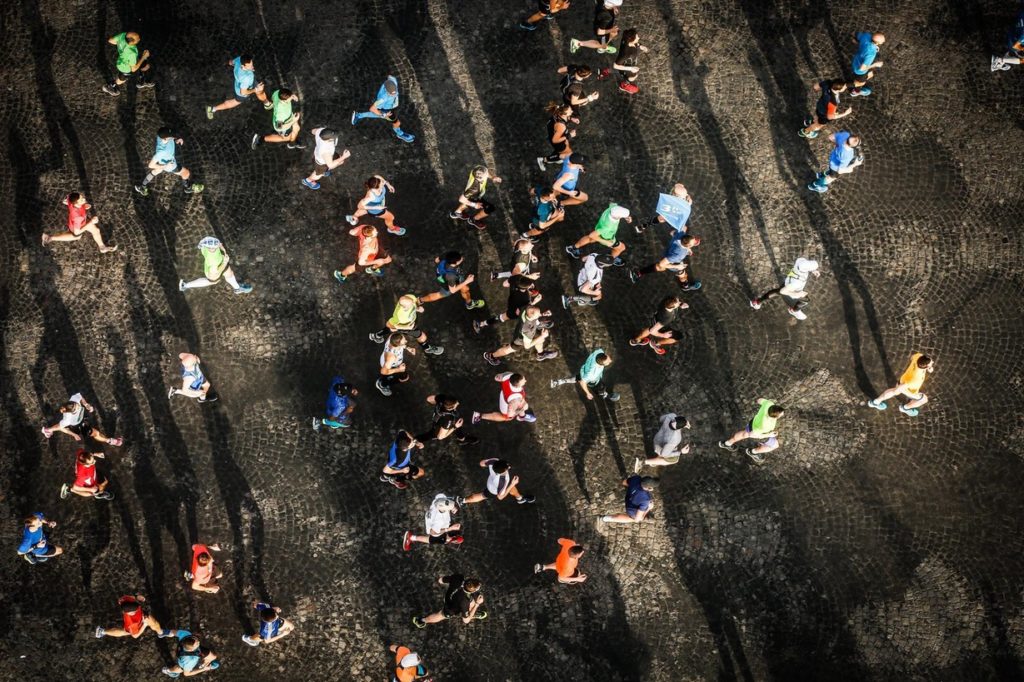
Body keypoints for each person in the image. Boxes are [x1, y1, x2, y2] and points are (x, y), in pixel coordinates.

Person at [135, 127, 204, 196]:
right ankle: (188, 188)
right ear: (165, 138)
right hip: (170, 165)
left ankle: (142, 187)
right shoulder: (161, 152)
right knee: (186, 173)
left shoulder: (161, 135)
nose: (173, 136)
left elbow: (171, 137)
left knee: (156, 171)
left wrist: (176, 140)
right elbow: (150, 165)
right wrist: (164, 166)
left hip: (161, 161)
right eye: (171, 136)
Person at [370, 295, 445, 356]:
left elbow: (415, 303)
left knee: (390, 328)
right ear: (404, 307)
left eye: (412, 302)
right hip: (406, 326)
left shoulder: (410, 297)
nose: (413, 304)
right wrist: (408, 327)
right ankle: (428, 348)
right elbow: (393, 326)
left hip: (410, 323)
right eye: (411, 305)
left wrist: (418, 308)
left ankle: (376, 336)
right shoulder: (401, 317)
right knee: (422, 336)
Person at [41, 392, 124, 447]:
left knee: (95, 431)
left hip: (83, 419)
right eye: (77, 408)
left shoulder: (74, 400)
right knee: (96, 433)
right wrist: (74, 435)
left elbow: (80, 397)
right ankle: (110, 441)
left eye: (77, 405)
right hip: (79, 426)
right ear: (72, 412)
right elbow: (61, 428)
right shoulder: (67, 419)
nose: (79, 406)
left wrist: (86, 404)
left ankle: (47, 430)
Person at [42, 192, 117, 253]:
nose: (84, 199)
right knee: (77, 236)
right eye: (81, 200)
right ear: (76, 204)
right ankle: (50, 238)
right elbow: (77, 232)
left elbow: (67, 199)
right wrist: (91, 222)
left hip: (82, 220)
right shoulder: (78, 218)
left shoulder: (71, 200)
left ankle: (102, 247)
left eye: (82, 197)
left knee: (96, 230)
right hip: (79, 225)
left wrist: (83, 206)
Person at [750, 257, 821, 321]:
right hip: (793, 287)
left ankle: (757, 302)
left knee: (777, 292)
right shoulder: (796, 283)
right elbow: (783, 291)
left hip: (789, 280)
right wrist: (796, 294)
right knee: (805, 300)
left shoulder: (800, 260)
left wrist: (813, 270)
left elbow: (805, 266)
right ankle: (794, 311)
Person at [483, 306, 559, 365]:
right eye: (539, 314)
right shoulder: (528, 330)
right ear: (532, 317)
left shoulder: (525, 310)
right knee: (509, 349)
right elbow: (527, 346)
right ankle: (491, 356)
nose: (540, 314)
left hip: (521, 330)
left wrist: (542, 314)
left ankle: (540, 354)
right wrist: (543, 335)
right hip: (520, 340)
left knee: (539, 339)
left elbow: (520, 312)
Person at [718, 399, 785, 464]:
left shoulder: (769, 404)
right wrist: (769, 435)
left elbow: (759, 400)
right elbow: (753, 435)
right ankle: (753, 452)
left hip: (753, 423)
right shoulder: (765, 425)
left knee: (744, 434)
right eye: (780, 415)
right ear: (773, 416)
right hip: (762, 434)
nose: (782, 414)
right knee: (775, 445)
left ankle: (727, 443)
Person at [178, 236, 253, 294]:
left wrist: (223, 250)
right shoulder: (212, 261)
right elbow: (216, 271)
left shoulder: (207, 245)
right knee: (213, 281)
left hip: (220, 261)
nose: (217, 245)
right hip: (214, 272)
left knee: (229, 273)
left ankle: (237, 289)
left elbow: (219, 244)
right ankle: (185, 285)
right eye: (215, 246)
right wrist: (225, 262)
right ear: (211, 248)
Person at [351, 75, 415, 143]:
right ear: (387, 92)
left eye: (395, 92)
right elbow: (372, 109)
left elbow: (390, 76)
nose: (395, 94)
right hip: (387, 110)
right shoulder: (383, 98)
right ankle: (400, 134)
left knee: (377, 115)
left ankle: (358, 115)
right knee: (397, 122)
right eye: (392, 94)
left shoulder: (393, 81)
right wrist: (383, 114)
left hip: (390, 106)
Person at [867, 353, 934, 417]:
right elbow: (902, 387)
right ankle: (905, 408)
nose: (933, 362)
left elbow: (912, 357)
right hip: (909, 391)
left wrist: (927, 368)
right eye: (931, 363)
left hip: (902, 380)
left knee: (893, 391)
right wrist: (897, 391)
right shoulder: (915, 379)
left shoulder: (918, 356)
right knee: (924, 399)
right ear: (926, 366)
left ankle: (875, 402)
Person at [473, 274, 545, 333]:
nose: (531, 286)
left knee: (503, 317)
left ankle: (481, 324)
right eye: (530, 286)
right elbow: (524, 311)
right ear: (526, 288)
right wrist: (535, 301)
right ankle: (481, 324)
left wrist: (529, 276)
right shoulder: (526, 298)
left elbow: (505, 284)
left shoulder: (515, 279)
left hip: (512, 301)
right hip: (514, 311)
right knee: (503, 317)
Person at [628, 233, 702, 291]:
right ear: (687, 245)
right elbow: (662, 263)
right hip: (673, 262)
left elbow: (672, 232)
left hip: (667, 253)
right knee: (682, 273)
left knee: (659, 267)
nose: (695, 243)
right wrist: (677, 266)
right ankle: (686, 286)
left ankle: (638, 274)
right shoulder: (678, 254)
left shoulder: (680, 235)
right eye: (693, 243)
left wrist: (688, 249)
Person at [205, 54, 271, 119]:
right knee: (235, 102)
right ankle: (213, 109)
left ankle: (266, 103)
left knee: (260, 90)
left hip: (240, 84)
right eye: (250, 66)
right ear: (243, 66)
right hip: (242, 91)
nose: (252, 66)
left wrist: (247, 68)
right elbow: (243, 92)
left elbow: (231, 62)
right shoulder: (246, 78)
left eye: (252, 64)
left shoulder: (239, 59)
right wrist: (255, 89)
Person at [459, 457, 537, 510]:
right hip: (494, 490)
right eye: (507, 467)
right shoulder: (503, 481)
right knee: (511, 488)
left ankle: (463, 501)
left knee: (482, 495)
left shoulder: (494, 461)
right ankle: (520, 499)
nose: (509, 467)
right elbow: (500, 497)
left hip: (491, 483)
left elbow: (481, 463)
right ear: (503, 471)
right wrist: (512, 484)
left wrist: (488, 461)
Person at [412, 574, 486, 628]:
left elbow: (440, 580)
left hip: (449, 597)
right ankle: (422, 620)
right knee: (440, 615)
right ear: (472, 591)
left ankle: (469, 613)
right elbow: (466, 621)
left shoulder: (458, 577)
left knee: (473, 602)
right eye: (477, 588)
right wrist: (477, 604)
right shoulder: (464, 602)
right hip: (451, 608)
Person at [418, 251, 485, 310]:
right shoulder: (451, 276)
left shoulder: (446, 256)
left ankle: (419, 300)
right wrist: (467, 281)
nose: (462, 258)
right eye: (460, 259)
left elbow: (436, 260)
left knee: (466, 289)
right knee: (440, 294)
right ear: (455, 263)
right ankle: (469, 304)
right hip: (449, 283)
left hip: (442, 276)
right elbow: (453, 290)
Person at [565, 203, 630, 263]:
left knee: (590, 239)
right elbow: (592, 235)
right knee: (621, 248)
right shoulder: (608, 227)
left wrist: (626, 217)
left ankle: (573, 248)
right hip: (607, 238)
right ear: (618, 216)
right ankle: (610, 259)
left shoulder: (613, 207)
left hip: (599, 227)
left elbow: (612, 204)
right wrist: (605, 241)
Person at [95, 594, 181, 639]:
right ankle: (103, 632)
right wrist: (144, 625)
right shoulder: (131, 623)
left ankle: (161, 633)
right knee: (125, 632)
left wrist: (136, 597)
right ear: (129, 613)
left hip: (142, 616)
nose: (137, 610)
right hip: (138, 623)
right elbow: (135, 636)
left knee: (155, 623)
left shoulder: (125, 600)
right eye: (135, 611)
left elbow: (127, 597)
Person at [551, 348, 619, 401]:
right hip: (593, 382)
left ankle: (560, 382)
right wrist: (588, 393)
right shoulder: (592, 373)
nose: (610, 361)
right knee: (600, 387)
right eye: (608, 362)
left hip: (583, 371)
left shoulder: (599, 352)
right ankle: (603, 394)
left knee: (578, 378)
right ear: (600, 365)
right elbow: (583, 382)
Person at [449, 165, 502, 230]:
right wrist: (474, 205)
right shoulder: (474, 189)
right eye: (485, 176)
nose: (487, 175)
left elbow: (486, 172)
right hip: (474, 195)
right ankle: (473, 220)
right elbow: (461, 199)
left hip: (472, 194)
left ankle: (457, 213)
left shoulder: (478, 169)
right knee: (490, 208)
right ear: (480, 179)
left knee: (469, 199)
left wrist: (493, 177)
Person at [415, 394, 479, 446]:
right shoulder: (449, 419)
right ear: (451, 408)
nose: (458, 403)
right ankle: (463, 440)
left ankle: (414, 440)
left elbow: (429, 399)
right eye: (456, 404)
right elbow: (440, 437)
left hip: (437, 420)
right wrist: (455, 427)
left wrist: (436, 402)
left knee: (426, 435)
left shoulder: (442, 399)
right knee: (432, 434)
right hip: (438, 429)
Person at [102, 31, 152, 96]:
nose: (139, 39)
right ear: (131, 42)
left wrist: (120, 45)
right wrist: (144, 57)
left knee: (146, 66)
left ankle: (142, 80)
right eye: (138, 38)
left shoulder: (123, 35)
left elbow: (110, 40)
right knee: (122, 80)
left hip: (125, 60)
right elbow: (133, 69)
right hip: (125, 67)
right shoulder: (131, 53)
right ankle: (110, 86)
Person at [472, 373, 536, 424]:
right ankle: (479, 416)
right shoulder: (516, 399)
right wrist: (521, 409)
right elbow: (510, 415)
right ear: (517, 386)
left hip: (504, 395)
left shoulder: (509, 375)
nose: (525, 380)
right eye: (523, 381)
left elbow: (496, 377)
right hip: (506, 407)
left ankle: (522, 416)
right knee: (506, 418)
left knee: (522, 404)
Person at [606, 28, 650, 94]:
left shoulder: (626, 39)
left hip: (630, 63)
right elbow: (615, 65)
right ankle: (624, 86)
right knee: (633, 77)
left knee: (633, 76)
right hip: (628, 68)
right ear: (631, 39)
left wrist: (641, 46)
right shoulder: (626, 53)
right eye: (637, 37)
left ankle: (624, 81)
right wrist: (631, 68)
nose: (638, 38)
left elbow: (636, 43)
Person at [536, 103, 576, 169]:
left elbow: (564, 116)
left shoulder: (557, 112)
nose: (572, 111)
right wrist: (569, 135)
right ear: (564, 114)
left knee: (561, 154)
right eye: (570, 111)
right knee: (568, 155)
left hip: (553, 133)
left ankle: (558, 157)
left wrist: (571, 118)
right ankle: (543, 160)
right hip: (558, 142)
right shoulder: (561, 126)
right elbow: (554, 140)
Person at [377, 333, 413, 397]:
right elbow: (383, 371)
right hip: (389, 367)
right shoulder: (391, 357)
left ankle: (386, 381)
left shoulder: (392, 337)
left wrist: (408, 348)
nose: (406, 341)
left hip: (391, 363)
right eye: (404, 340)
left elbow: (400, 343)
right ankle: (382, 385)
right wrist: (399, 369)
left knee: (404, 377)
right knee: (386, 379)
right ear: (398, 344)